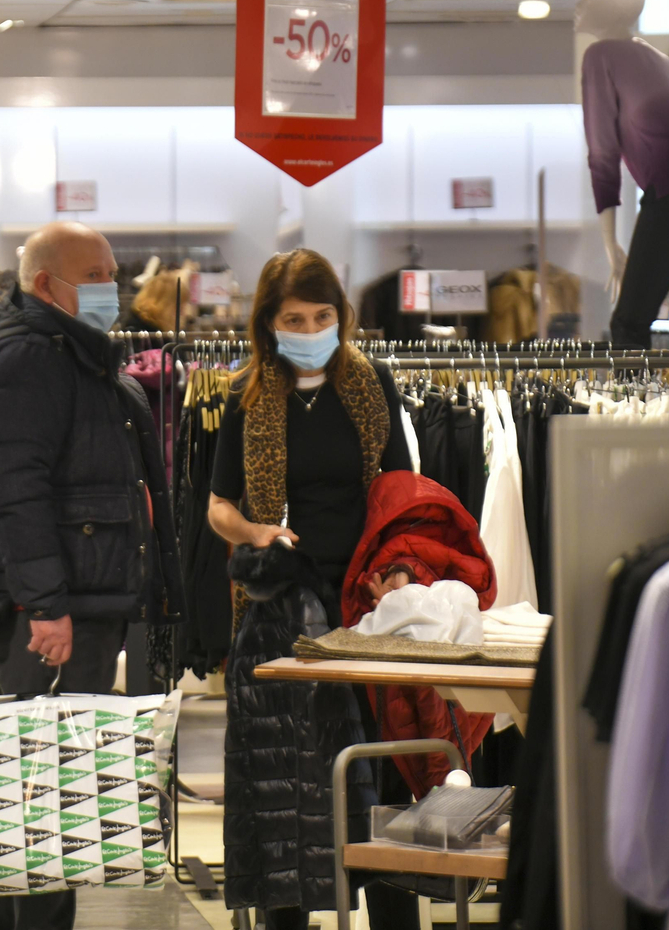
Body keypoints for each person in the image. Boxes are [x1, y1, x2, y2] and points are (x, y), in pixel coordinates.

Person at [0, 220, 180, 930]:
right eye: (97, 276)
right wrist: (45, 604)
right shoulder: (31, 358)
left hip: (74, 599)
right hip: (52, 612)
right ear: (47, 284)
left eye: (114, 274)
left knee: (32, 791)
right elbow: (13, 489)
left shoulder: (72, 354)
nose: (113, 288)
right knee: (44, 794)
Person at [207, 249, 417, 930]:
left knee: (379, 779)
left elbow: (400, 491)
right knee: (287, 784)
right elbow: (217, 506)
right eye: (294, 319)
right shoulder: (245, 394)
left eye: (322, 316)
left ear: (341, 315)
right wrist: (257, 531)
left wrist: (399, 566)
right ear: (269, 322)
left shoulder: (372, 383)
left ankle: (393, 914)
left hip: (365, 605)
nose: (310, 329)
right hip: (281, 609)